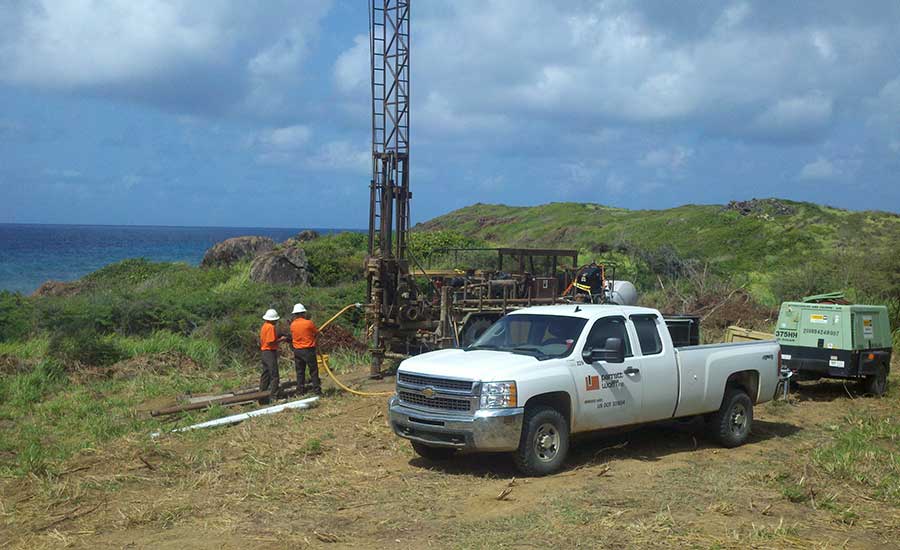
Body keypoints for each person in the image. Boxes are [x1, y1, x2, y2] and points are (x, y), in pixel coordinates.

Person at [290, 303, 321, 395]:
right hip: (308, 350)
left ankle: (300, 391)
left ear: (295, 314)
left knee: (300, 372)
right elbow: (316, 333)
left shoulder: (292, 325)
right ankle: (317, 390)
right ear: (303, 313)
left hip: (297, 351)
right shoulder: (308, 323)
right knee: (313, 371)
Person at [259, 308, 287, 404]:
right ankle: (274, 397)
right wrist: (281, 339)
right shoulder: (271, 327)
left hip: (264, 352)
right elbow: (271, 341)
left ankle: (262, 396)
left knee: (265, 375)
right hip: (269, 352)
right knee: (274, 375)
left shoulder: (264, 326)